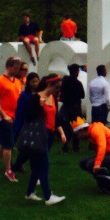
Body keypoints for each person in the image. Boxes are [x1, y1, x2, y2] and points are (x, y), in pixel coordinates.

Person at [24, 75, 67, 205]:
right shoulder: (36, 98)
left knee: (38, 166)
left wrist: (61, 132)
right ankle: (48, 196)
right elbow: (28, 116)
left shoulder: (52, 98)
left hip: (49, 135)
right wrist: (39, 106)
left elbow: (55, 118)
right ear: (49, 85)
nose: (58, 91)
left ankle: (29, 193)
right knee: (44, 165)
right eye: (57, 87)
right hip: (40, 136)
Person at [0, 57, 23, 182]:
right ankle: (8, 170)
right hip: (4, 118)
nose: (17, 70)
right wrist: (3, 115)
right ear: (8, 67)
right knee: (8, 145)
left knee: (3, 144)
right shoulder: (0, 81)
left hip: (14, 117)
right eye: (15, 67)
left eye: (19, 68)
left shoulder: (17, 81)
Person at [11, 71, 40, 173]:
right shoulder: (25, 95)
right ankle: (13, 163)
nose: (35, 84)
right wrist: (20, 124)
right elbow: (20, 110)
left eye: (36, 81)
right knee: (16, 142)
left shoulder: (39, 94)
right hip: (23, 122)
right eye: (33, 82)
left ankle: (19, 163)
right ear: (29, 83)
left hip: (34, 123)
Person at [59, 64, 86, 153]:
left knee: (66, 128)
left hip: (66, 107)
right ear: (76, 72)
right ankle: (75, 147)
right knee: (77, 127)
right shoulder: (78, 83)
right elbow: (82, 95)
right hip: (75, 107)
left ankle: (65, 146)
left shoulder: (64, 81)